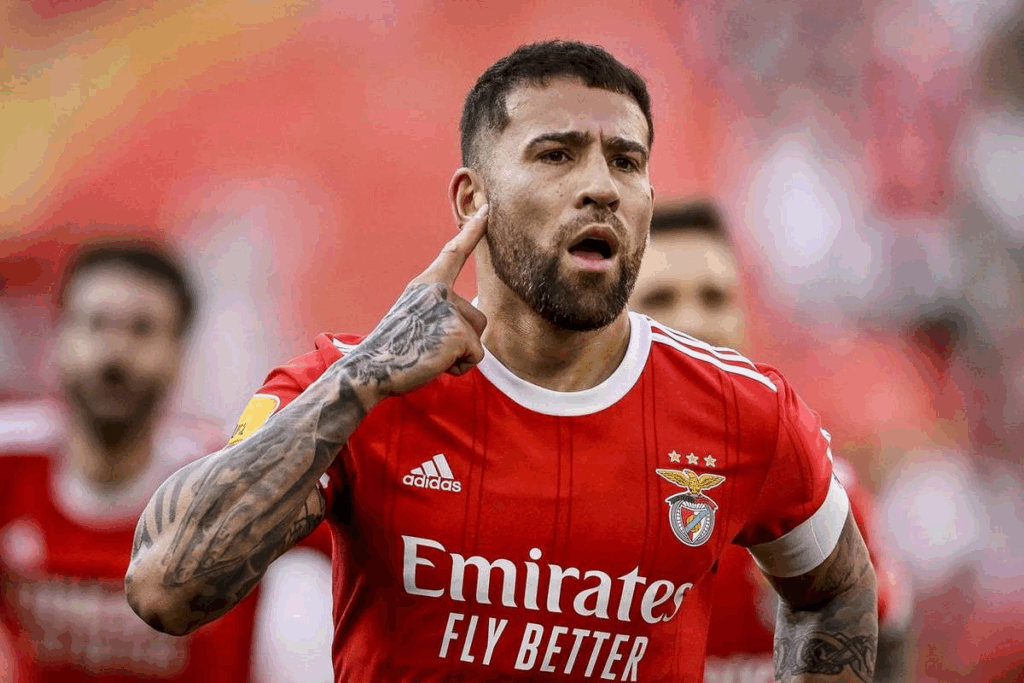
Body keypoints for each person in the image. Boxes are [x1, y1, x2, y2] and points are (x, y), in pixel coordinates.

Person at [127, 41, 878, 682]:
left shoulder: (743, 408)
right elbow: (166, 589)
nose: (600, 187)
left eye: (626, 161)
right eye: (556, 155)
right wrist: (361, 380)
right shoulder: (352, 385)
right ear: (471, 200)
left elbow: (837, 591)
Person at [631, 199, 910, 682]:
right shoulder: (570, 478)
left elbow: (887, 640)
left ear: (745, 317)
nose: (693, 322)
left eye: (714, 298)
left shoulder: (815, 493)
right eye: (661, 299)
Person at [0, 241, 254, 682]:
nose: (114, 352)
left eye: (142, 329)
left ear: (179, 351)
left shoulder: (229, 485)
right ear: (57, 338)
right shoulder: (9, 457)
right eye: (95, 324)